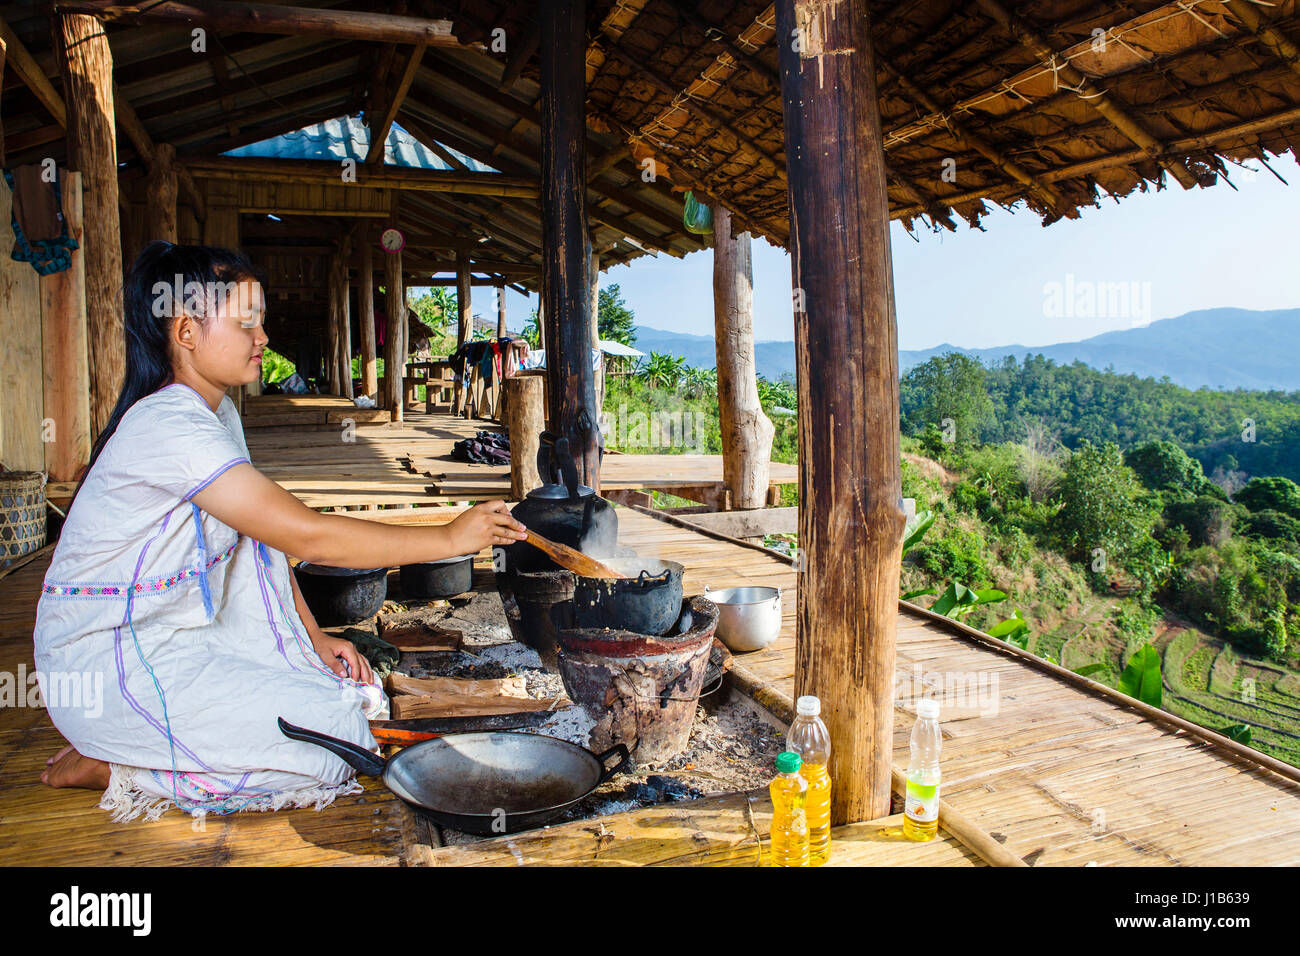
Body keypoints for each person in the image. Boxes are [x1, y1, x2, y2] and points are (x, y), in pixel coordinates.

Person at [34, 241, 526, 821]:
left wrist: (314, 638)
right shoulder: (167, 425)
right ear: (187, 330)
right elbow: (306, 537)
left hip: (177, 640)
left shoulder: (218, 415)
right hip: (106, 662)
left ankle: (147, 741)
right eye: (246, 323)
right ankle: (120, 767)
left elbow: (259, 543)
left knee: (357, 697)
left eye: (260, 322)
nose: (262, 338)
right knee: (335, 750)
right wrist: (448, 538)